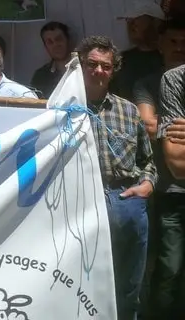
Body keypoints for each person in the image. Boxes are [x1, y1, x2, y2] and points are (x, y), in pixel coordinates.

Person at [79, 35, 156, 320]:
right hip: (83, 204)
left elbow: (147, 161)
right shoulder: (62, 110)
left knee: (129, 286)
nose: (99, 71)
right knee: (85, 283)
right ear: (80, 65)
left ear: (113, 70)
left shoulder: (128, 110)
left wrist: (147, 185)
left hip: (126, 201)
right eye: (92, 64)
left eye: (106, 66)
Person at [133, 19, 185, 318]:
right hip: (169, 190)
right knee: (169, 266)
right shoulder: (148, 83)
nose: (179, 48)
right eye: (173, 42)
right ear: (161, 46)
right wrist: (171, 127)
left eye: (184, 42)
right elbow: (148, 126)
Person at [111, 1, 165, 100]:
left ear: (156, 23)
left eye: (136, 20)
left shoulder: (171, 55)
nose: (131, 25)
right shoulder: (121, 59)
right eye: (128, 20)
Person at [30, 21, 72, 98]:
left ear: (68, 40)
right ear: (46, 47)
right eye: (50, 42)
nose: (55, 44)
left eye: (59, 39)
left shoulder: (84, 68)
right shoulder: (40, 76)